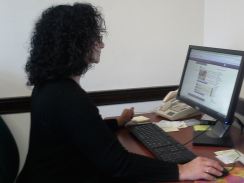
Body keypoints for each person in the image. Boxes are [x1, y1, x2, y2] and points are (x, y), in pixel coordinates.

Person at [16, 3, 223, 183]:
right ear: (74, 44)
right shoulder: (67, 96)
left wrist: (117, 123)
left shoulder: (49, 85)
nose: (102, 44)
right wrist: (183, 170)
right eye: (95, 38)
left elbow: (80, 131)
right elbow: (117, 163)